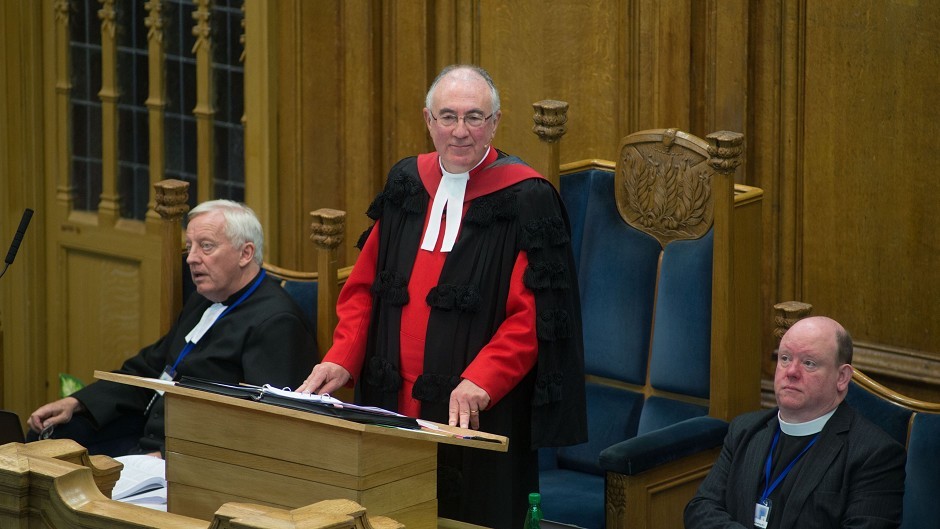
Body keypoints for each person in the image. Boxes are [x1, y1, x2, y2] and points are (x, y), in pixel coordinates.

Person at [297, 64, 587, 528]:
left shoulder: (527, 198)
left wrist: (484, 380)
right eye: (447, 116)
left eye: (474, 117)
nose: (459, 131)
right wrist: (342, 357)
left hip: (475, 408)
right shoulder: (406, 182)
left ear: (495, 123)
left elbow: (536, 314)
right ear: (428, 120)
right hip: (390, 399)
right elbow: (364, 287)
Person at [27, 199, 317, 457]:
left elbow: (262, 427)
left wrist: (169, 457)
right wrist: (76, 402)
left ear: (245, 253)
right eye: (190, 247)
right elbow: (150, 368)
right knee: (48, 438)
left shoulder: (277, 323)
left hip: (194, 460)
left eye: (206, 246)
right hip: (145, 436)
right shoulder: (203, 300)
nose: (191, 258)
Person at [684, 316, 906, 529]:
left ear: (842, 378)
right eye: (785, 358)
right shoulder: (744, 429)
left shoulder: (875, 455)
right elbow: (700, 509)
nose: (791, 372)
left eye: (809, 363)